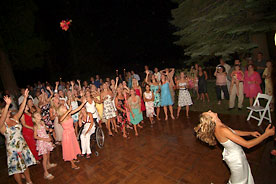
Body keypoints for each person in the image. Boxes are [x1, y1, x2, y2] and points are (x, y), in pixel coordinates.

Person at [194, 110, 275, 184]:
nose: (210, 110)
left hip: (235, 153)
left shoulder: (218, 124)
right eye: (209, 112)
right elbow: (248, 145)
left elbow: (233, 132)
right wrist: (266, 135)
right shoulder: (221, 129)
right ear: (211, 119)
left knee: (243, 177)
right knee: (240, 181)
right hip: (236, 160)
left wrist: (249, 133)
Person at [0, 91, 36, 184]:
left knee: (25, 165)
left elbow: (21, 109)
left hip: (22, 145)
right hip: (13, 150)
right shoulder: (2, 125)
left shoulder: (14, 118)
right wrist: (7, 105)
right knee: (16, 169)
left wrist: (25, 98)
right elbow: (3, 118)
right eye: (5, 111)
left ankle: (29, 181)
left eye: (8, 110)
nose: (8, 111)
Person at [57, 99, 87, 169]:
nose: (65, 107)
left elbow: (77, 109)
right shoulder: (61, 117)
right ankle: (72, 164)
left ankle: (73, 158)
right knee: (69, 148)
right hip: (67, 135)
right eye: (64, 107)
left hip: (72, 133)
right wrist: (68, 111)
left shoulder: (69, 114)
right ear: (61, 110)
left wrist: (83, 103)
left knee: (73, 146)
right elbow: (61, 120)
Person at [33, 112, 56, 180]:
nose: (39, 115)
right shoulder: (35, 126)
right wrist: (44, 139)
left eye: (39, 114)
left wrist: (49, 130)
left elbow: (46, 129)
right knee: (44, 157)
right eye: (37, 115)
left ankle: (48, 164)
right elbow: (35, 136)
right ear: (35, 118)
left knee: (48, 152)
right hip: (42, 141)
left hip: (46, 139)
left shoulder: (42, 122)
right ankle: (45, 173)